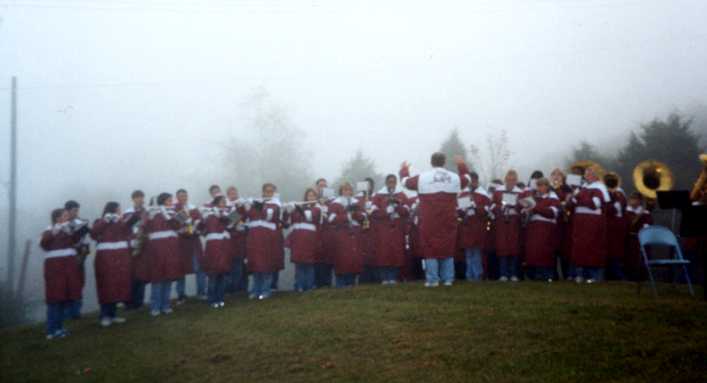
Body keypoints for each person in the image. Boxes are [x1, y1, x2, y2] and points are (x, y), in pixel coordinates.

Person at [399, 152, 470, 287]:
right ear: (444, 162)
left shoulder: (423, 178)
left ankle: (433, 280)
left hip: (429, 219)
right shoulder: (454, 177)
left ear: (431, 162)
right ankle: (448, 278)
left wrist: (404, 170)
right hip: (449, 218)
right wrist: (461, 165)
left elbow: (405, 182)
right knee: (448, 247)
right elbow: (467, 178)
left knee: (430, 248)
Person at [91, 202, 136, 327]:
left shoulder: (121, 222)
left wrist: (124, 220)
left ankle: (113, 315)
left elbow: (128, 231)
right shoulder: (99, 221)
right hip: (105, 259)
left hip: (120, 257)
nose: (119, 212)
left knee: (117, 286)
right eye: (118, 210)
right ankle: (104, 316)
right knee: (106, 286)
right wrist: (105, 221)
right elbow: (94, 234)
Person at [40, 208, 83, 339]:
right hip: (55, 270)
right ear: (57, 218)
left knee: (64, 299)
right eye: (65, 215)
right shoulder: (48, 230)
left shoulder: (68, 230)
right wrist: (56, 230)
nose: (68, 217)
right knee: (55, 300)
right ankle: (51, 330)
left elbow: (76, 242)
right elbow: (43, 244)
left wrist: (76, 229)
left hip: (68, 269)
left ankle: (58, 328)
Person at [144, 193, 183, 316]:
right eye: (168, 200)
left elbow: (180, 225)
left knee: (168, 277)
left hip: (172, 249)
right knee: (157, 279)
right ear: (162, 201)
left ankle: (165, 305)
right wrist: (150, 215)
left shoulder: (175, 211)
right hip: (157, 250)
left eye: (171, 199)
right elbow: (144, 227)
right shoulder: (153, 213)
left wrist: (169, 215)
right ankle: (155, 306)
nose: (171, 202)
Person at [242, 183, 283, 300]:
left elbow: (276, 219)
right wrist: (244, 206)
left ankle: (266, 290)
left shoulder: (276, 205)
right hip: (254, 238)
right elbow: (241, 217)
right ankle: (255, 290)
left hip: (268, 239)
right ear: (263, 192)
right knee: (255, 264)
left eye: (271, 191)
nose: (268, 193)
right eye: (267, 191)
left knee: (266, 265)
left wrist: (264, 208)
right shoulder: (254, 203)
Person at [570, 165, 610, 283]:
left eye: (590, 172)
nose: (587, 175)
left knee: (592, 246)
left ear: (596, 175)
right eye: (586, 173)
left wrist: (578, 197)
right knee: (579, 247)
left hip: (592, 221)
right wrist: (573, 198)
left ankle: (594, 275)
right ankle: (580, 274)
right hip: (580, 220)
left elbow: (594, 204)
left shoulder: (600, 187)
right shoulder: (583, 187)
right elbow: (573, 203)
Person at [371, 175, 409, 284]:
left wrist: (397, 207)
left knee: (396, 252)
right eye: (389, 182)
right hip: (383, 228)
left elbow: (407, 211)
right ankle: (384, 277)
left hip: (397, 227)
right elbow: (374, 213)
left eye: (393, 182)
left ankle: (393, 277)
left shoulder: (401, 195)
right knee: (384, 252)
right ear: (386, 183)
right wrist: (386, 211)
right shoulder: (378, 196)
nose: (391, 184)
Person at [491, 170, 528, 282]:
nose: (511, 181)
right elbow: (492, 205)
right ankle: (503, 274)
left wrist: (517, 207)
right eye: (509, 179)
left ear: (516, 181)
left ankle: (513, 274)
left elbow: (524, 207)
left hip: (514, 221)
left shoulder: (520, 192)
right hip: (502, 221)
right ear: (505, 179)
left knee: (514, 247)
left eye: (513, 180)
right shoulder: (498, 191)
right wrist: (501, 207)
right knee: (502, 247)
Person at [328, 182, 367, 287]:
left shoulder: (357, 202)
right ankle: (341, 284)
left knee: (354, 258)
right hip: (341, 234)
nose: (347, 192)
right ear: (341, 191)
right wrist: (346, 217)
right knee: (342, 259)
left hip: (355, 233)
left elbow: (364, 217)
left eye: (349, 189)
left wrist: (355, 214)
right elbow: (331, 219)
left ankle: (352, 283)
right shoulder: (335, 203)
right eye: (345, 189)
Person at [523, 178, 562, 282]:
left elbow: (553, 213)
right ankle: (535, 275)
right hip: (534, 229)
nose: (539, 188)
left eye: (542, 186)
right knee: (533, 253)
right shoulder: (535, 198)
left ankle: (547, 275)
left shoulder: (553, 198)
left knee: (545, 253)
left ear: (547, 186)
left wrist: (536, 208)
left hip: (547, 229)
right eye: (538, 186)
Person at [285, 188, 322, 292]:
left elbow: (311, 217)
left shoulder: (318, 209)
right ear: (305, 197)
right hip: (298, 240)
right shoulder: (298, 208)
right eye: (309, 196)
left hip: (310, 240)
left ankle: (309, 286)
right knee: (299, 264)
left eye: (313, 196)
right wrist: (290, 209)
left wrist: (300, 209)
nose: (310, 197)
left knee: (309, 265)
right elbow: (290, 221)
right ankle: (299, 286)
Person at [199, 196, 232, 308]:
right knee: (213, 274)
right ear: (216, 203)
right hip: (213, 246)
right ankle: (211, 299)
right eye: (222, 202)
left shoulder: (230, 212)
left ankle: (220, 298)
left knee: (223, 274)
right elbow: (201, 228)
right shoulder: (208, 214)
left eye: (225, 202)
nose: (224, 203)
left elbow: (236, 224)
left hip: (225, 244)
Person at [457, 172, 491, 281]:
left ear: (476, 181)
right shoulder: (463, 194)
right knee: (468, 253)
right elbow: (458, 211)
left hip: (478, 227)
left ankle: (477, 275)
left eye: (473, 181)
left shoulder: (483, 194)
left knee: (476, 253)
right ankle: (469, 276)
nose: (471, 184)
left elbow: (487, 211)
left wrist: (475, 206)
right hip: (466, 227)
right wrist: (462, 210)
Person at [174, 189, 206, 302]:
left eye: (185, 195)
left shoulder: (193, 208)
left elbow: (200, 221)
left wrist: (198, 227)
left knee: (200, 268)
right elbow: (177, 224)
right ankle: (181, 295)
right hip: (181, 243)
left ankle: (201, 292)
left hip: (194, 243)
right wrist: (188, 227)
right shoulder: (175, 208)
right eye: (181, 196)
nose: (183, 197)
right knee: (181, 269)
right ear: (177, 197)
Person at [63, 200, 90, 319]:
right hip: (66, 256)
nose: (76, 213)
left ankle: (76, 311)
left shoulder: (81, 222)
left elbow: (85, 238)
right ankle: (67, 312)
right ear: (67, 211)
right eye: (74, 210)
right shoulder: (62, 223)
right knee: (67, 284)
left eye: (77, 210)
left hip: (80, 254)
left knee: (79, 282)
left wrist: (84, 250)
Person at [124, 190, 149, 309]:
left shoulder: (146, 211)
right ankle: (129, 302)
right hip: (131, 245)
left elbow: (149, 226)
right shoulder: (128, 212)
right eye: (137, 197)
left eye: (141, 197)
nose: (140, 200)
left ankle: (139, 301)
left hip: (143, 244)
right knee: (130, 274)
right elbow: (124, 227)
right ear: (133, 199)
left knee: (142, 274)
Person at [624, 192, 653, 281]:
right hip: (630, 240)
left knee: (641, 260)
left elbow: (648, 224)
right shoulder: (626, 212)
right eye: (632, 199)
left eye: (636, 199)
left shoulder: (645, 213)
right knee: (629, 260)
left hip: (641, 240)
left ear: (640, 201)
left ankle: (642, 278)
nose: (633, 201)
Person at [605, 174, 628, 280]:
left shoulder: (619, 193)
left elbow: (616, 208)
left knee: (616, 250)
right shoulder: (607, 192)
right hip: (608, 224)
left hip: (617, 225)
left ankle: (618, 275)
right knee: (608, 249)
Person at [225, 186, 247, 293]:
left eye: (235, 192)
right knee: (229, 265)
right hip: (228, 240)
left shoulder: (241, 205)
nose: (233, 194)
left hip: (240, 240)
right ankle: (229, 288)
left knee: (240, 264)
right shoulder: (225, 206)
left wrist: (242, 207)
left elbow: (245, 218)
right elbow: (227, 222)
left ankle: (239, 288)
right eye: (231, 193)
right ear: (227, 195)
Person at [314, 178, 335, 288]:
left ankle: (327, 285)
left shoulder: (332, 202)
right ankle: (315, 285)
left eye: (324, 186)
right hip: (315, 235)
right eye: (320, 186)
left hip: (328, 235)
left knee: (328, 260)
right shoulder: (311, 200)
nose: (322, 188)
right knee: (316, 261)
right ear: (316, 187)